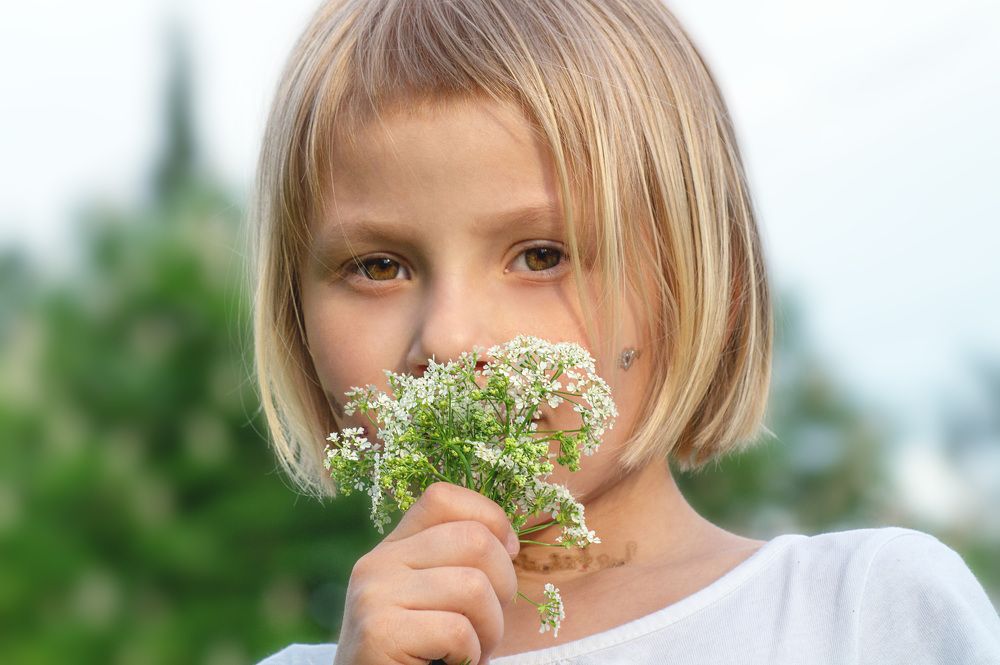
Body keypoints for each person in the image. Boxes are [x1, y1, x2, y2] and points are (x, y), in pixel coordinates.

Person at [248, 0, 1000, 663]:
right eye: (379, 267)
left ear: (700, 279)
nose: (448, 338)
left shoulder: (867, 613)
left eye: (541, 255)